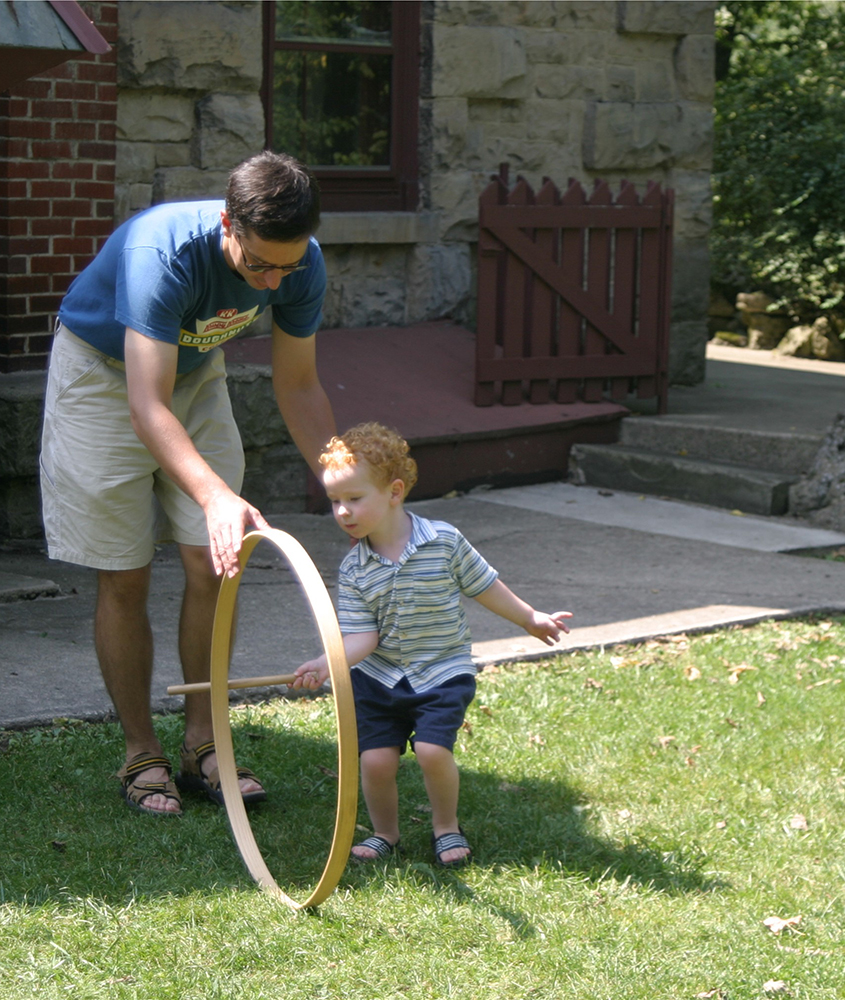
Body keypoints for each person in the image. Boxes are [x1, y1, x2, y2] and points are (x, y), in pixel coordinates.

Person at [39, 151, 338, 816]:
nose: (269, 284)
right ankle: (141, 752)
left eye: (285, 267)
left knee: (215, 563)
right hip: (103, 373)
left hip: (197, 372)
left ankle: (206, 742)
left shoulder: (298, 264)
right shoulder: (163, 252)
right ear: (228, 224)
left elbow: (298, 384)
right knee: (125, 571)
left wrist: (343, 481)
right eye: (258, 264)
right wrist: (214, 494)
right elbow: (148, 404)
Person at [290, 423, 572, 867]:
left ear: (394, 491)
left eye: (354, 498)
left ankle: (446, 827)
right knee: (377, 761)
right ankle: (386, 832)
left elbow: (485, 586)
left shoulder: (443, 541)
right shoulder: (354, 569)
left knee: (431, 749)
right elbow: (365, 636)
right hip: (380, 677)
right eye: (335, 501)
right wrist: (328, 662)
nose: (343, 511)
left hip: (442, 670)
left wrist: (530, 618)